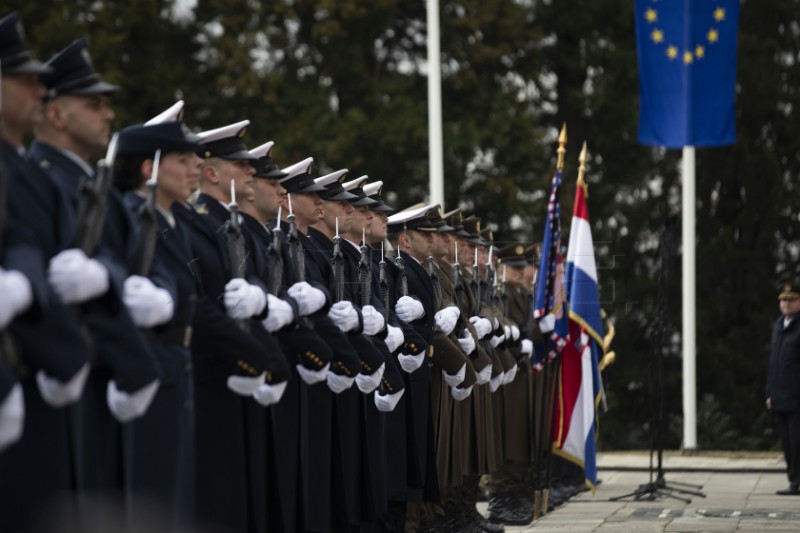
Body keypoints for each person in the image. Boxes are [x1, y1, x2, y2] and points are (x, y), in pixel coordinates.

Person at [766, 280, 800, 496]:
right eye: (783, 300)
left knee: (798, 442)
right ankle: (793, 481)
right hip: (780, 396)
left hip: (797, 396)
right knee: (787, 443)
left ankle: (798, 481)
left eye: (791, 299)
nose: (786, 304)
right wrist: (769, 392)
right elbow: (774, 362)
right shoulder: (779, 326)